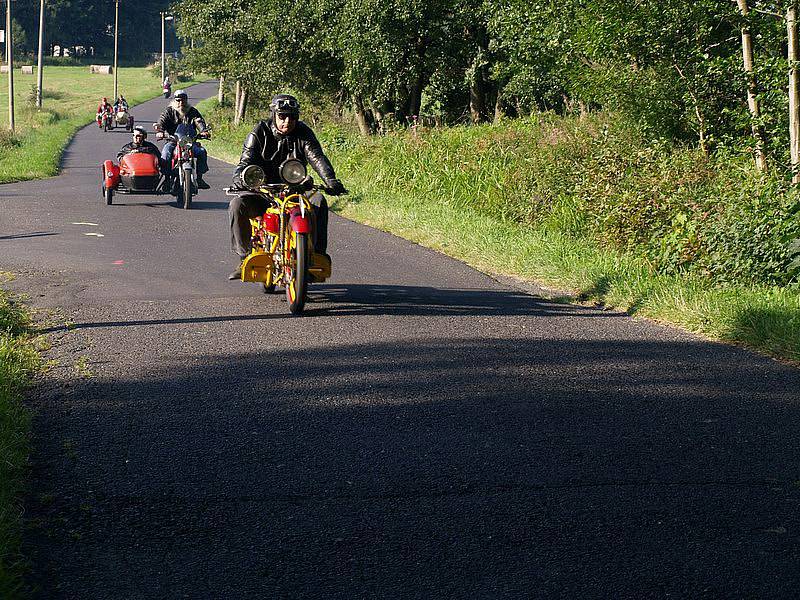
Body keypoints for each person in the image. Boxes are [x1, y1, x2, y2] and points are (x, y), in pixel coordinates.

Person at [227, 93, 346, 280]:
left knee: (318, 201)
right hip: (262, 191)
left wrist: (331, 180)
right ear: (274, 115)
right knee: (237, 205)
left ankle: (317, 253)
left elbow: (316, 157)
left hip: (295, 190)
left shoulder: (304, 132)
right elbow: (245, 161)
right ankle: (244, 257)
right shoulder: (259, 132)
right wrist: (241, 179)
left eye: (292, 116)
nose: (287, 121)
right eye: (282, 116)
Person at [154, 89, 211, 190]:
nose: (181, 103)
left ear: (186, 100)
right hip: (173, 141)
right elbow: (162, 121)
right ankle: (167, 179)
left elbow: (198, 120)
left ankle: (199, 178)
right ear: (175, 101)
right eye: (178, 100)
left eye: (183, 100)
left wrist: (203, 130)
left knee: (201, 152)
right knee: (165, 155)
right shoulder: (169, 111)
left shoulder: (192, 111)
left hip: (189, 142)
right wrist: (160, 131)